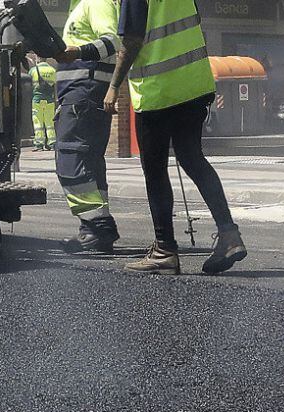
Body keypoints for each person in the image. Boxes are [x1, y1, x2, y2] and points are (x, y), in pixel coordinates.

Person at [106, 0, 246, 275]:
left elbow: (132, 41)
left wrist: (113, 87)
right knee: (193, 159)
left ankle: (164, 250)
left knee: (155, 171)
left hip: (159, 93)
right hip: (193, 85)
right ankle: (229, 235)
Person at [50, 0, 122, 253]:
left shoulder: (95, 1)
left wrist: (76, 53)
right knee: (89, 161)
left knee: (71, 159)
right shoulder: (79, 5)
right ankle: (92, 230)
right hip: (82, 92)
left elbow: (113, 42)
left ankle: (98, 224)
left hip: (83, 92)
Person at [29, 59, 57, 151]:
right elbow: (56, 86)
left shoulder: (33, 70)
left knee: (38, 123)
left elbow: (28, 85)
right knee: (50, 123)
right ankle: (52, 143)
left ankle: (39, 144)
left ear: (38, 58)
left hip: (37, 100)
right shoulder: (52, 70)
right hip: (49, 100)